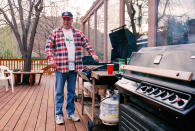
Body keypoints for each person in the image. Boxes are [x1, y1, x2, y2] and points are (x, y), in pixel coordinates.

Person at [45, 11, 99, 124]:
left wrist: (92, 53)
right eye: (64, 19)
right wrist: (51, 59)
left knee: (71, 92)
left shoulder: (78, 33)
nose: (66, 21)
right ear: (62, 20)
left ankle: (70, 113)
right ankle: (58, 114)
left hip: (73, 68)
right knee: (59, 92)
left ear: (72, 20)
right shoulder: (55, 32)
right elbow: (48, 47)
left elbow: (87, 44)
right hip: (60, 68)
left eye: (68, 19)